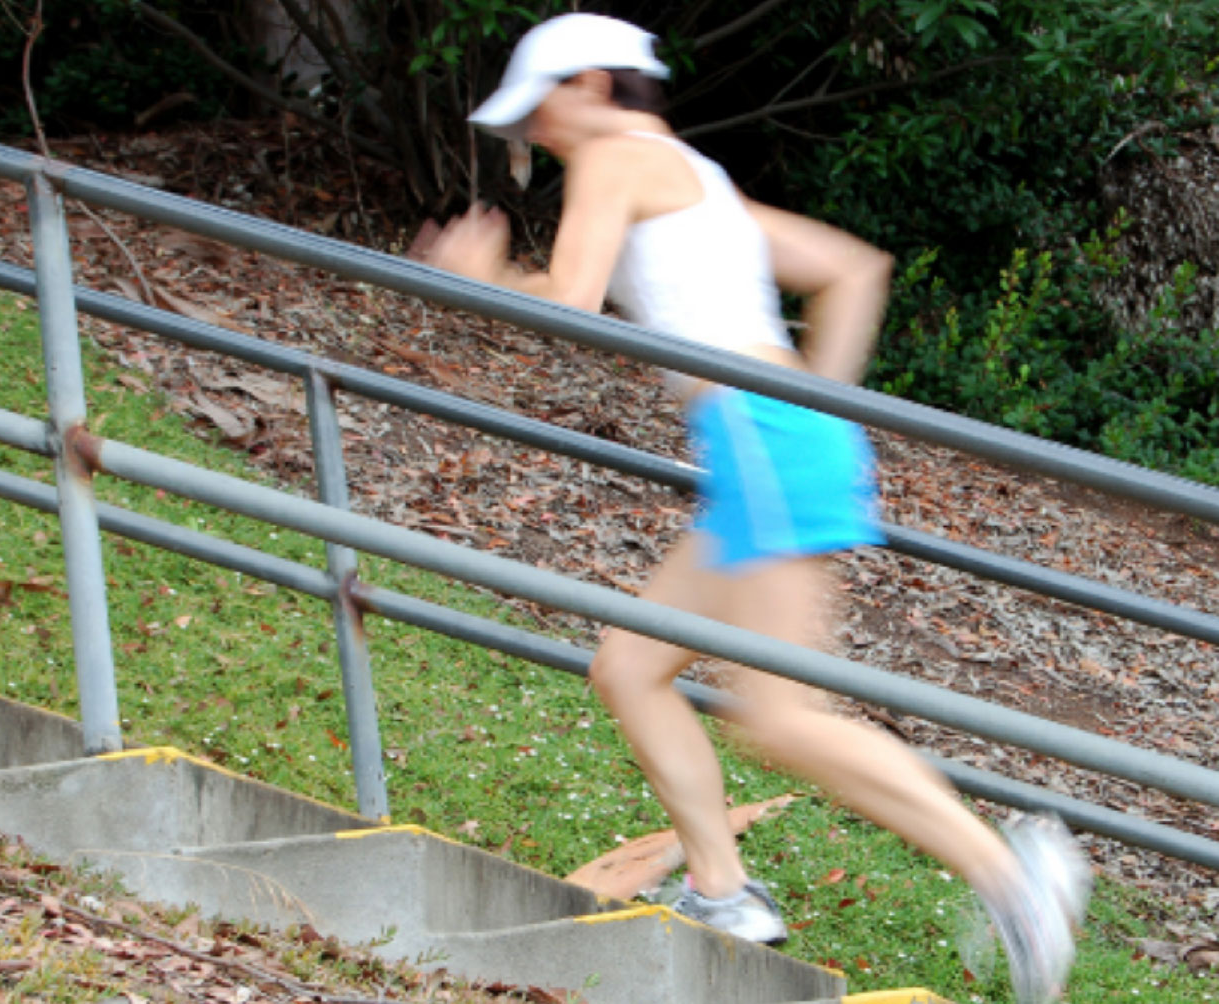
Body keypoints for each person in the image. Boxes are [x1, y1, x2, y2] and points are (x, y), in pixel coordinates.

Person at [408, 13, 1091, 1003]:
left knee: (781, 717)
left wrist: (472, 279)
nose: (539, 133)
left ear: (595, 85)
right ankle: (725, 892)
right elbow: (855, 268)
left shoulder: (616, 156)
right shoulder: (697, 180)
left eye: (543, 105)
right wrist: (820, 405)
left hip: (765, 444)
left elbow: (567, 298)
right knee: (631, 665)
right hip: (768, 445)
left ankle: (1011, 873)